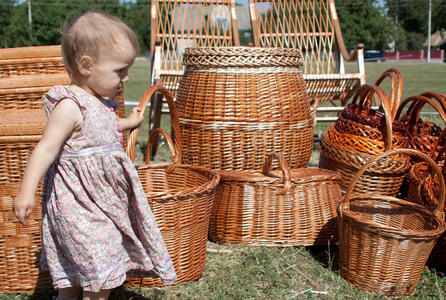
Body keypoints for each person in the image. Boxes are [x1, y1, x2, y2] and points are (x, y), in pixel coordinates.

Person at [12, 10, 176, 300]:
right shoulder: (69, 106)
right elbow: (46, 148)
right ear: (87, 65)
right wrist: (26, 191)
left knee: (84, 271)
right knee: (98, 277)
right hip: (77, 208)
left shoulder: (99, 103)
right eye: (119, 70)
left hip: (101, 206)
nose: (126, 77)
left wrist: (130, 123)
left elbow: (105, 127)